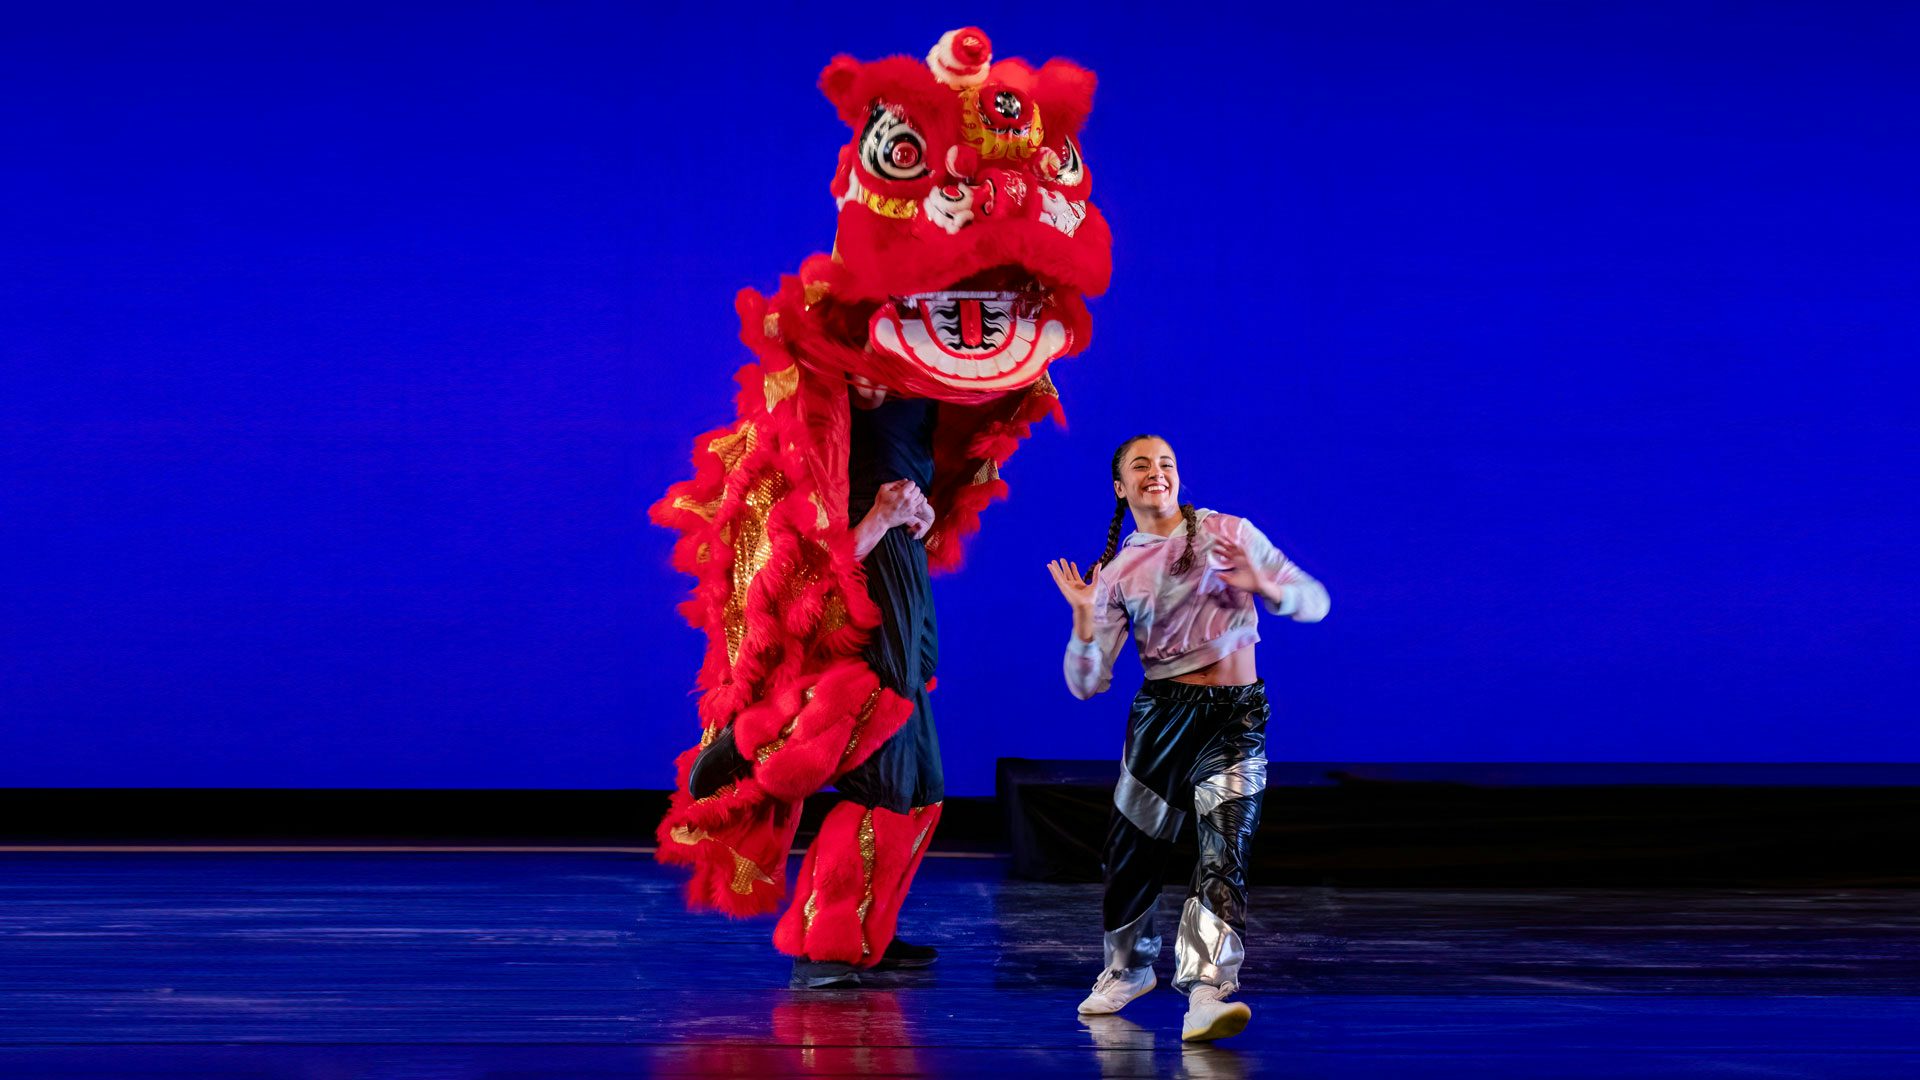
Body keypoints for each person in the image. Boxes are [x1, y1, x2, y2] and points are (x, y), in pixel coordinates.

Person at [1045, 433, 1330, 1042]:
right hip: (1162, 717)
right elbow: (1087, 684)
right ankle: (1128, 968)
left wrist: (1267, 585)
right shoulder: (1119, 571)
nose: (1158, 472)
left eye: (1167, 463)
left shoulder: (1230, 532)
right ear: (1120, 487)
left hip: (1236, 717)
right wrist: (1082, 618)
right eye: (1141, 465)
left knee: (1224, 849)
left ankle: (1207, 990)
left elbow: (1314, 601)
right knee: (1133, 851)